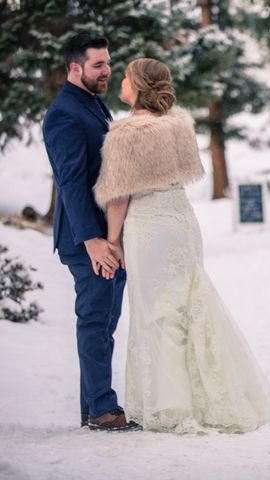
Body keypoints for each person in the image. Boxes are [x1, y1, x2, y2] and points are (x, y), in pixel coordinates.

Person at [93, 58, 270, 433]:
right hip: (181, 221)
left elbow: (118, 198)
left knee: (155, 313)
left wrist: (112, 242)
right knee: (189, 304)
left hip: (148, 227)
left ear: (139, 86)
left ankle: (169, 405)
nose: (120, 84)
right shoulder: (178, 125)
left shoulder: (125, 133)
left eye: (126, 78)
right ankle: (210, 395)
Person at [43, 34, 139, 431]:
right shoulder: (64, 113)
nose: (106, 71)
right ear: (75, 67)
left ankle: (93, 407)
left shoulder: (92, 104)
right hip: (88, 241)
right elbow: (70, 182)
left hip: (104, 235)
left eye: (108, 63)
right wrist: (94, 240)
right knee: (96, 322)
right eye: (98, 64)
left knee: (104, 324)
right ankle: (102, 409)